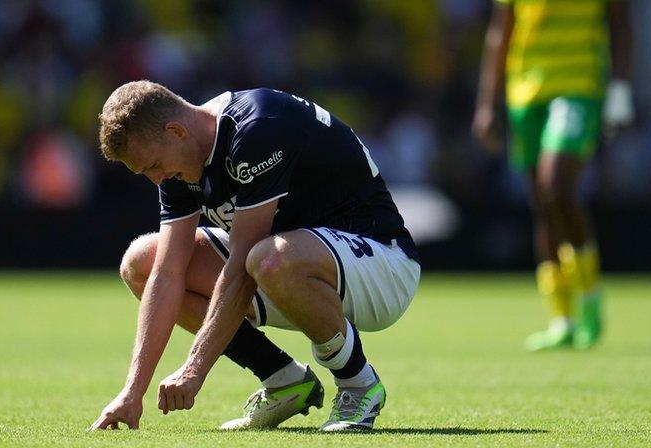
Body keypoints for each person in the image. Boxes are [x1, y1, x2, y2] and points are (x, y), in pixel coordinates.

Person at [89, 81, 420, 432]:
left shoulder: (256, 128)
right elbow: (166, 274)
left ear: (175, 131)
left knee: (266, 258)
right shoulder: (181, 157)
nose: (158, 181)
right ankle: (284, 380)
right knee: (141, 263)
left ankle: (359, 384)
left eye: (154, 165)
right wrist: (132, 392)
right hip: (287, 268)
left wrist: (194, 368)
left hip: (382, 264)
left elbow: (242, 267)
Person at [472, 0, 636, 351]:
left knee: (556, 183)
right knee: (542, 202)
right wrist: (487, 102)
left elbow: (622, 21)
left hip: (579, 85)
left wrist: (621, 88)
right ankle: (561, 317)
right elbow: (501, 28)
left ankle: (591, 296)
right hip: (526, 92)